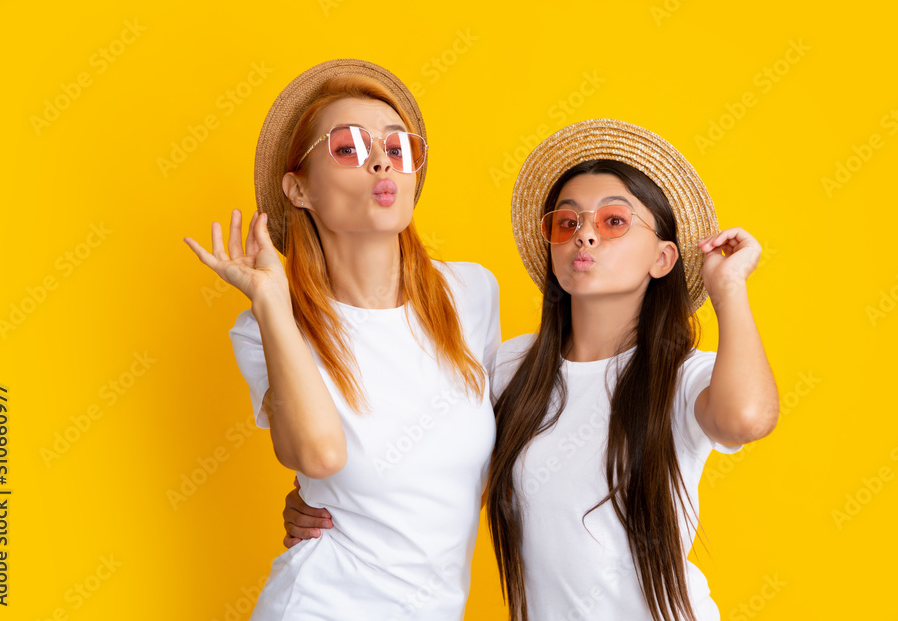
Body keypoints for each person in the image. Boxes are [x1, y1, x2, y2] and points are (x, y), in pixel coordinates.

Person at [282, 118, 778, 621]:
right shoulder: (512, 366)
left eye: (613, 222)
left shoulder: (679, 376)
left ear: (663, 257)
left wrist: (729, 289)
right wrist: (327, 502)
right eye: (567, 222)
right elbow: (431, 453)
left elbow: (747, 419)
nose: (584, 235)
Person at [183, 59, 500, 620]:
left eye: (398, 148)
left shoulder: (471, 295)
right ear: (298, 188)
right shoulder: (267, 325)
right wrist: (274, 303)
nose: (382, 158)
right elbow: (319, 454)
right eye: (349, 147)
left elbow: (484, 468)